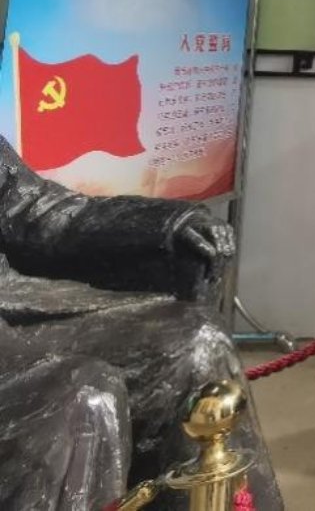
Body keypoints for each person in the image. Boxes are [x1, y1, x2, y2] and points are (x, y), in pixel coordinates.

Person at [0, 140, 282, 511]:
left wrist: (163, 225)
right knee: (87, 396)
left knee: (196, 340)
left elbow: (39, 211)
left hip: (13, 320)